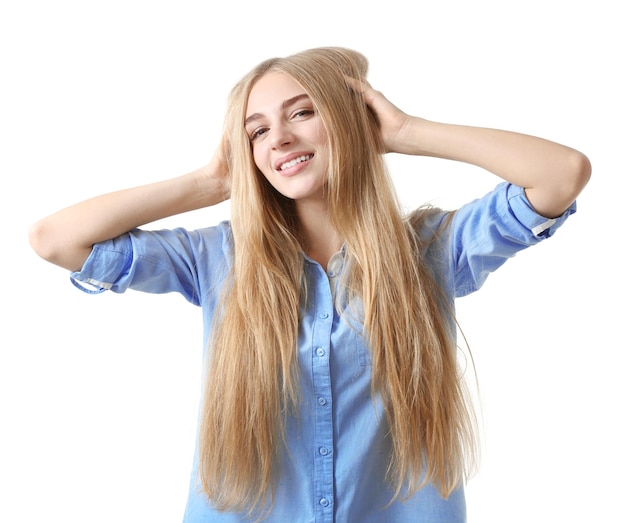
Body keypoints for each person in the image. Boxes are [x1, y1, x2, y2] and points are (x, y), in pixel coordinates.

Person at [28, 47, 591, 522]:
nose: (278, 138)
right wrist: (212, 180)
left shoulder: (429, 249)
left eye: (301, 113)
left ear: (349, 121)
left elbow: (561, 174)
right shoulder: (217, 257)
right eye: (257, 131)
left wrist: (405, 133)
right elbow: (56, 239)